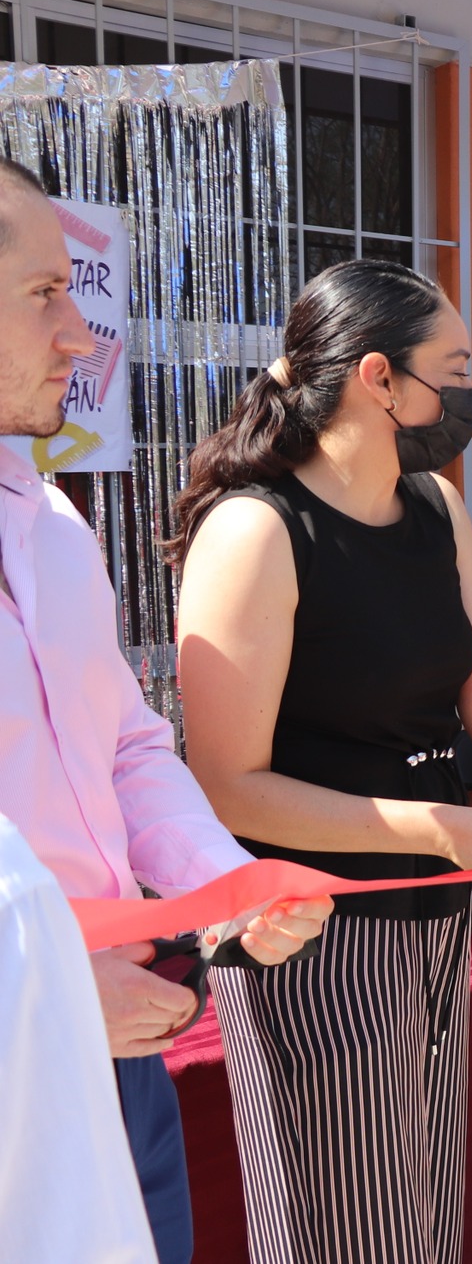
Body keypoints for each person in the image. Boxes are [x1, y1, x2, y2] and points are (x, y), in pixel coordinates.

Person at [173, 258, 472, 1263]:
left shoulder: (434, 506)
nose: (471, 392)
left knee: (418, 1222)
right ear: (379, 379)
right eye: (458, 365)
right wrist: (443, 827)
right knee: (341, 1231)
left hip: (437, 917)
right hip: (312, 937)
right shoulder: (259, 530)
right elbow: (229, 786)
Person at [0, 158, 330, 1264]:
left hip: (118, 1039)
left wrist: (219, 885)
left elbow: (128, 748)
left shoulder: (52, 523)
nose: (80, 336)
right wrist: (37, 997)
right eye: (46, 293)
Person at [0, 807, 159, 1264]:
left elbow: (136, 751)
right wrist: (64, 997)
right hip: (44, 1037)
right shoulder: (16, 883)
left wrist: (234, 886)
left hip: (131, 1019)